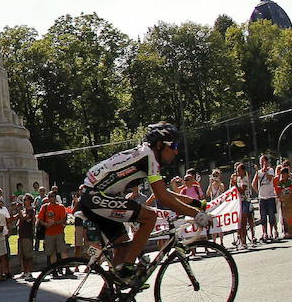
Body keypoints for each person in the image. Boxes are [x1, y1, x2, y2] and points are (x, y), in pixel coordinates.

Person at [79, 122, 210, 288]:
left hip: (94, 197)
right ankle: (127, 268)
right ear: (160, 145)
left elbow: (164, 193)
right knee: (150, 217)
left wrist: (196, 204)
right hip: (95, 197)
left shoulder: (146, 155)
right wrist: (196, 215)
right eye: (174, 145)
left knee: (123, 247)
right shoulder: (149, 157)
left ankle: (107, 299)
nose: (176, 151)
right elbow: (163, 199)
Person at [254, 155, 279, 243]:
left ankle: (273, 231)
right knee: (263, 216)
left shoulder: (271, 170)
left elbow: (269, 178)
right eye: (261, 162)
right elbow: (254, 184)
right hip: (262, 197)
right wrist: (259, 192)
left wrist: (265, 171)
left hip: (270, 196)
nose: (262, 164)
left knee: (272, 215)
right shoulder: (258, 172)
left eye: (263, 162)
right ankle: (265, 232)